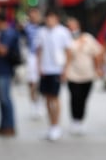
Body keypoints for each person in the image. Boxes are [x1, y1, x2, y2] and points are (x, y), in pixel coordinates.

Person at [35, 9, 72, 141]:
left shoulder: (63, 32)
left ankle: (56, 125)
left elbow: (68, 52)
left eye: (52, 18)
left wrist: (65, 69)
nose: (49, 21)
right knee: (47, 98)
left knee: (55, 98)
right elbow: (39, 51)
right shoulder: (41, 32)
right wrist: (38, 67)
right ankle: (51, 125)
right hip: (45, 69)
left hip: (57, 69)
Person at [65, 17, 103, 135]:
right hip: (72, 74)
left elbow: (97, 53)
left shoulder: (87, 38)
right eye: (69, 26)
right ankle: (74, 120)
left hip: (87, 74)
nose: (72, 28)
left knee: (83, 98)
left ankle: (81, 120)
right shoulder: (66, 40)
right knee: (74, 97)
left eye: (73, 25)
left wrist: (98, 68)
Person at [0, 11, 18, 137]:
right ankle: (3, 125)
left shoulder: (9, 33)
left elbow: (3, 51)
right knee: (0, 99)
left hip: (4, 70)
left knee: (5, 99)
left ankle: (10, 126)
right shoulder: (1, 33)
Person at [21, 7, 43, 119]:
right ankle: (34, 104)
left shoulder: (44, 27)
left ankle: (39, 103)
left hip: (43, 58)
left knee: (41, 83)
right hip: (31, 57)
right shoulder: (25, 28)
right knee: (32, 82)